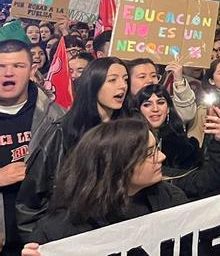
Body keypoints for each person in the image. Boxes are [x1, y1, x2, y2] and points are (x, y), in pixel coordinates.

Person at [21, 120, 189, 250]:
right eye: (149, 153)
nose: (161, 157)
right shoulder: (57, 232)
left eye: (156, 148)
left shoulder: (171, 200)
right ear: (117, 164)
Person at [17, 58, 127, 241]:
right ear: (93, 84)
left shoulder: (129, 129)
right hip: (70, 236)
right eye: (113, 80)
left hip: (116, 234)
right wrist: (40, 242)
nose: (122, 86)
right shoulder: (61, 132)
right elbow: (30, 202)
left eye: (125, 79)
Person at [0, 26, 62, 256]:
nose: (8, 73)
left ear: (32, 69)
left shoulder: (56, 117)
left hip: (41, 238)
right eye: (1, 67)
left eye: (17, 66)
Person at [132, 84, 220, 200]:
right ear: (138, 110)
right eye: (147, 104)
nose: (155, 109)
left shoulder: (186, 147)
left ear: (168, 108)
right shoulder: (130, 145)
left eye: (160, 102)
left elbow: (204, 181)